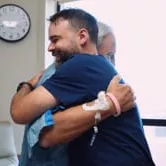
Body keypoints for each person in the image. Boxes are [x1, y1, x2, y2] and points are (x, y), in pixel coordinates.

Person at [10, 9, 154, 166]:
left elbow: (30, 123)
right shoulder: (87, 66)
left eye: (55, 39)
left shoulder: (82, 64)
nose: (50, 47)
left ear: (82, 36)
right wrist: (110, 103)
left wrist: (27, 85)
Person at [18, 21, 121, 166]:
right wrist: (110, 103)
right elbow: (44, 133)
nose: (112, 64)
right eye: (108, 56)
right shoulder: (61, 76)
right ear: (90, 49)